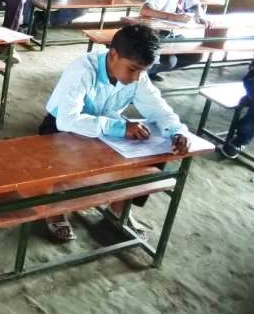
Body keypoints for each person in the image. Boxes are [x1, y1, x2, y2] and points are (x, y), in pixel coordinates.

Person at [39, 24, 190, 240]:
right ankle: (54, 209)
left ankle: (118, 209)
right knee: (61, 161)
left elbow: (158, 109)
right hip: (61, 127)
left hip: (106, 129)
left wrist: (177, 131)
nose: (137, 77)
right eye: (132, 69)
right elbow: (67, 119)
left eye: (143, 71)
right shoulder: (83, 70)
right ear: (113, 55)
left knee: (155, 149)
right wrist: (119, 128)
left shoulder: (137, 76)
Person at [140, 0, 211, 80]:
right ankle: (140, 72)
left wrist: (200, 15)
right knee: (169, 61)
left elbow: (196, 5)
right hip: (155, 34)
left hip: (171, 33)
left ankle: (150, 71)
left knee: (196, 54)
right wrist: (172, 17)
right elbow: (145, 10)